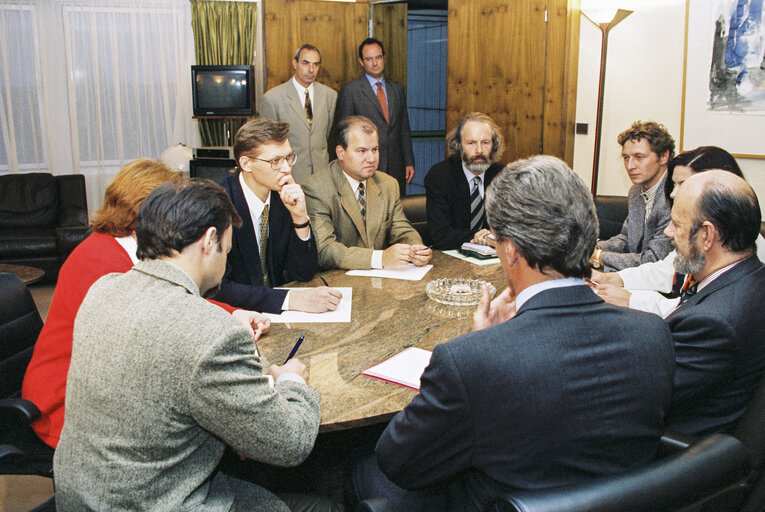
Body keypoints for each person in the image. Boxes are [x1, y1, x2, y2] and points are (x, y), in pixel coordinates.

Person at [347, 156, 675, 512]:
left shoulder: (471, 359)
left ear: (510, 250)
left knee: (364, 470)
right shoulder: (653, 335)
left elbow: (399, 462)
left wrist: (480, 343)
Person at [54, 180, 339, 512]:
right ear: (209, 241)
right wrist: (290, 380)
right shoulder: (212, 331)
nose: (225, 265)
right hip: (155, 501)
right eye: (227, 252)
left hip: (83, 496)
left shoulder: (103, 289)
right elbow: (289, 444)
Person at [21, 159, 267, 449]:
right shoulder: (98, 262)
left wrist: (233, 312)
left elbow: (172, 300)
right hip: (68, 405)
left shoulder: (124, 247)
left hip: (104, 391)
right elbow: (162, 322)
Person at [593, 146, 765, 316]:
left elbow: (698, 311)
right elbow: (667, 270)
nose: (674, 193)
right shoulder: (696, 230)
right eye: (674, 184)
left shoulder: (739, 245)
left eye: (684, 184)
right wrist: (613, 279)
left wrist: (631, 299)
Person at [663, 170, 765, 435]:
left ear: (707, 236)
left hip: (678, 456)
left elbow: (645, 397)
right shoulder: (753, 277)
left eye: (677, 224)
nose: (667, 232)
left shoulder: (714, 323)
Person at [216, 118, 342, 313]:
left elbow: (303, 272)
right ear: (246, 163)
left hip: (276, 316)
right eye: (275, 160)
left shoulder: (282, 197)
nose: (286, 168)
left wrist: (300, 218)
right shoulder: (218, 205)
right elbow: (217, 288)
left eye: (289, 157)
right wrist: (290, 299)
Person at [302, 116, 431, 270]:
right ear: (340, 153)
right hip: (336, 282)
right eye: (362, 151)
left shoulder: (388, 184)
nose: (371, 158)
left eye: (375, 150)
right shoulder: (316, 188)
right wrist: (379, 258)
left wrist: (416, 248)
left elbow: (401, 228)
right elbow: (325, 250)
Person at [334, 37, 414, 197]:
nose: (375, 63)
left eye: (378, 57)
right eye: (369, 59)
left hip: (396, 166)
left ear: (384, 58)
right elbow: (342, 136)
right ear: (361, 62)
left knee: (394, 208)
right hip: (364, 165)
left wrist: (409, 161)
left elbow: (403, 128)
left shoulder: (396, 90)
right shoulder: (351, 91)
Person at [591, 121, 675, 271]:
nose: (630, 166)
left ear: (663, 156)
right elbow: (626, 239)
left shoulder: (673, 196)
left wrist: (598, 257)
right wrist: (591, 248)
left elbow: (654, 259)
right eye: (626, 158)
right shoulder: (636, 191)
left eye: (639, 157)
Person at [424, 112, 505, 249]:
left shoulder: (503, 176)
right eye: (471, 143)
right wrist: (478, 236)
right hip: (449, 255)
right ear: (459, 146)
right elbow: (439, 235)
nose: (479, 150)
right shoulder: (440, 175)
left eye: (485, 143)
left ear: (494, 146)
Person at [260, 44, 337, 184]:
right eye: (305, 63)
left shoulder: (330, 96)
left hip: (322, 177)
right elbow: (267, 146)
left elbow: (327, 136)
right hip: (289, 177)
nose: (311, 69)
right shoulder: (273, 99)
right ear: (295, 64)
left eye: (316, 64)